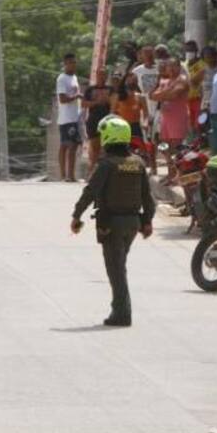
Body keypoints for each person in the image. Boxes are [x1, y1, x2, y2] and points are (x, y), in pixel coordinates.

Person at [70, 117, 155, 327]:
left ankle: (122, 313)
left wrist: (76, 215)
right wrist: (147, 221)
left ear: (108, 137)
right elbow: (148, 197)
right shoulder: (138, 163)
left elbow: (91, 191)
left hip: (112, 224)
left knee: (116, 269)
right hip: (133, 223)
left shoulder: (107, 164)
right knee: (120, 266)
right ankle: (119, 309)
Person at [150, 58, 190, 177]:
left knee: (176, 148)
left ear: (179, 67)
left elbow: (174, 95)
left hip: (178, 119)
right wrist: (165, 93)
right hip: (165, 120)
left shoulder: (182, 80)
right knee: (165, 146)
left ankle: (179, 175)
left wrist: (162, 95)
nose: (171, 69)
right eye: (169, 67)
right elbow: (152, 95)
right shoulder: (165, 81)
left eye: (174, 66)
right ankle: (171, 174)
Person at [132, 46, 162, 175]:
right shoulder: (137, 71)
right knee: (149, 139)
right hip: (145, 108)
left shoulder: (160, 69)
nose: (149, 57)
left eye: (151, 54)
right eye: (146, 54)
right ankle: (153, 166)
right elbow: (133, 88)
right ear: (141, 56)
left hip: (160, 108)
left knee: (160, 137)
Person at [56, 53, 84, 182]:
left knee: (71, 145)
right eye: (71, 62)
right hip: (66, 118)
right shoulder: (62, 78)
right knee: (69, 145)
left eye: (74, 62)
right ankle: (68, 175)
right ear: (65, 63)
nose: (73, 65)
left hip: (75, 116)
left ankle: (67, 175)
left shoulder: (74, 77)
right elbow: (62, 99)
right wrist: (76, 96)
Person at [82, 67, 112, 169]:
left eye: (104, 74)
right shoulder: (90, 89)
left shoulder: (111, 89)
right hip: (94, 121)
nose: (102, 77)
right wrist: (96, 102)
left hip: (108, 121)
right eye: (100, 74)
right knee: (95, 148)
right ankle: (91, 172)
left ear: (107, 76)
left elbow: (115, 103)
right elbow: (83, 103)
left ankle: (105, 173)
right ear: (96, 75)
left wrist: (107, 100)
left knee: (108, 148)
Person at [184, 41, 205, 131]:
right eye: (187, 50)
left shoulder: (202, 64)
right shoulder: (184, 64)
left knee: (199, 124)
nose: (189, 52)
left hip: (198, 99)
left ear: (196, 51)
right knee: (188, 126)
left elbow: (195, 81)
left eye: (191, 50)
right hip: (185, 100)